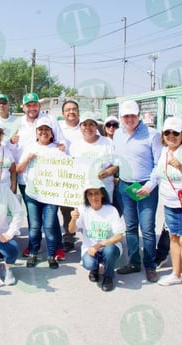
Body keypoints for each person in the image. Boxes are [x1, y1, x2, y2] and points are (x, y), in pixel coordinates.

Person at [113, 100, 162, 283]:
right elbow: (116, 160)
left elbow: (159, 165)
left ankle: (150, 265)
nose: (130, 119)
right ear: (121, 117)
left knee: (148, 229)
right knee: (131, 228)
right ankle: (134, 262)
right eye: (126, 116)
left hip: (145, 187)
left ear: (138, 115)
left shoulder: (152, 134)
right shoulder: (117, 134)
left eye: (133, 115)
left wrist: (150, 185)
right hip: (125, 187)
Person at [16, 93, 66, 259]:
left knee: (51, 221)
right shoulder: (20, 124)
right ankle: (34, 247)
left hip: (50, 186)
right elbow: (12, 147)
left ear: (39, 105)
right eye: (28, 105)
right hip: (27, 182)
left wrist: (61, 148)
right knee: (34, 219)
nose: (32, 108)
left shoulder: (49, 119)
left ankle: (56, 248)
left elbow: (62, 143)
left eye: (34, 104)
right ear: (23, 107)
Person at [155, 117, 182, 296]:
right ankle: (176, 273)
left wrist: (179, 165)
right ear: (163, 135)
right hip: (169, 202)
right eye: (167, 133)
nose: (171, 136)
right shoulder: (163, 152)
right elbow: (157, 174)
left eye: (175, 133)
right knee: (173, 238)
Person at [68, 181, 124, 292]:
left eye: (97, 193)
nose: (94, 197)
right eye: (90, 194)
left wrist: (99, 245)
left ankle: (109, 276)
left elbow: (119, 236)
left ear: (102, 194)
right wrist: (73, 219)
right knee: (88, 263)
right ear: (86, 197)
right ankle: (95, 268)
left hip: (108, 247)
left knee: (109, 251)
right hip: (90, 249)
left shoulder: (111, 210)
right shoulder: (83, 209)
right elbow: (71, 230)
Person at [70, 113, 117, 203]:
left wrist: (107, 172)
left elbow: (117, 165)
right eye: (85, 124)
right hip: (82, 192)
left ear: (96, 126)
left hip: (104, 190)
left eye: (91, 124)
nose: (88, 127)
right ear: (80, 127)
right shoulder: (74, 146)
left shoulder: (108, 143)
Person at [58, 100, 83, 253]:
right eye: (68, 110)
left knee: (85, 206)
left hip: (83, 173)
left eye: (74, 109)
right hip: (65, 175)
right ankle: (68, 236)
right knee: (66, 209)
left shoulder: (86, 125)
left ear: (78, 112)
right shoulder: (59, 128)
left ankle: (89, 236)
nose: (71, 112)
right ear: (63, 114)